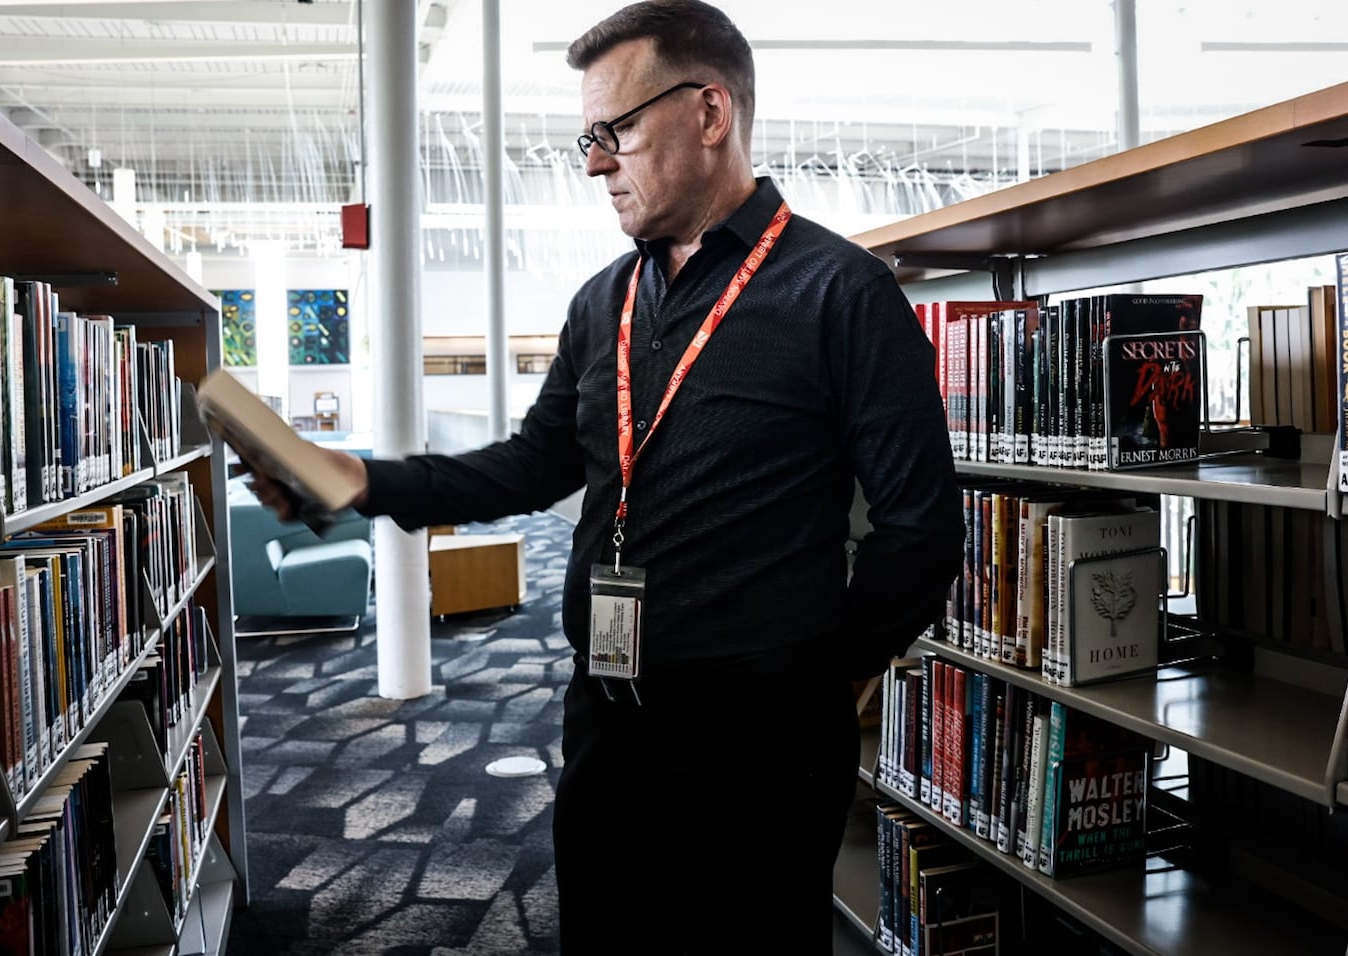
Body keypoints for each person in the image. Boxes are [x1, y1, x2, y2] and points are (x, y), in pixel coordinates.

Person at [247, 1, 963, 951]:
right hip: (606, 713)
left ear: (710, 114)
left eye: (617, 132)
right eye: (589, 137)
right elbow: (531, 466)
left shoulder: (841, 293)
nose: (593, 164)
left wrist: (813, 685)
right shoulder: (603, 305)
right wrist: (360, 481)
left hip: (760, 744)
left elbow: (921, 530)